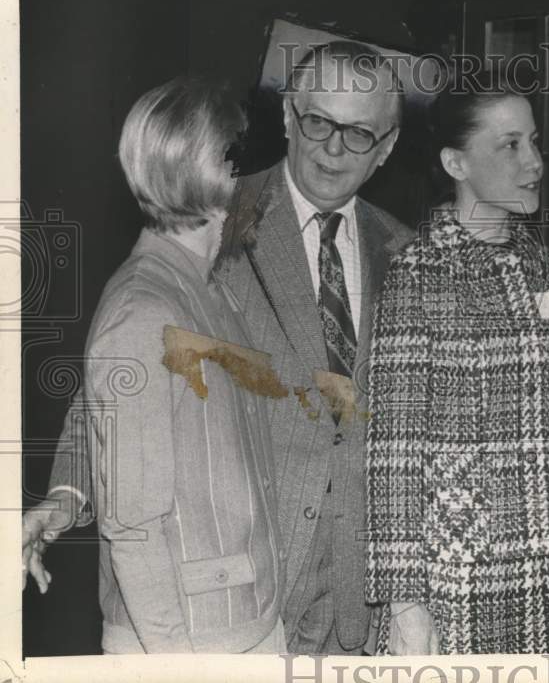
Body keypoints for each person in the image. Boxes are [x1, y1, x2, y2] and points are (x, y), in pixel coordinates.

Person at [25, 41, 414, 655]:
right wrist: (65, 497)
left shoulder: (407, 254)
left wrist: (407, 595)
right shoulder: (211, 214)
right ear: (287, 118)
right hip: (235, 606)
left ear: (389, 145)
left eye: (359, 133)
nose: (333, 148)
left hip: (359, 607)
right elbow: (111, 390)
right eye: (318, 122)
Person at [365, 84, 549, 655]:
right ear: (456, 163)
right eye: (511, 146)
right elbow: (393, 452)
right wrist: (404, 603)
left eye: (535, 142)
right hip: (453, 583)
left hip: (544, 582)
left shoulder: (542, 269)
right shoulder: (418, 274)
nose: (535, 163)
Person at [67, 77, 284, 652]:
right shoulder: (145, 310)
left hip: (244, 620)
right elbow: (132, 527)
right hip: (190, 640)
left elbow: (93, 413)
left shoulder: (210, 290)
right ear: (218, 178)